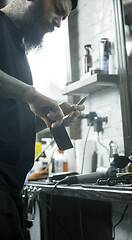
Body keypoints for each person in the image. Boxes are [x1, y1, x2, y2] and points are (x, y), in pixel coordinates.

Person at [0, 0, 84, 239]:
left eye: (64, 17)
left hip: (12, 188)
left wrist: (44, 119)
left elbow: (8, 118)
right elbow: (26, 96)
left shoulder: (17, 45)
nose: (59, 22)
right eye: (58, 9)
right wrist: (31, 94)